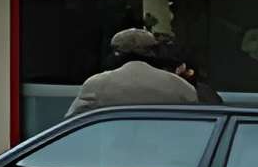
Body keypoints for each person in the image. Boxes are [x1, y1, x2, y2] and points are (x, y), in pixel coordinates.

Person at [68, 28, 198, 116]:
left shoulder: (95, 84)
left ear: (116, 53)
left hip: (113, 154)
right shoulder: (179, 85)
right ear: (154, 52)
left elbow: (72, 123)